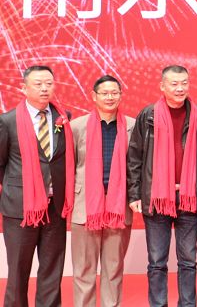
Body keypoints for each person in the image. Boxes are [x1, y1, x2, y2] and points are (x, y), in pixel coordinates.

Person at [127, 65, 197, 307]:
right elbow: (135, 157)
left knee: (188, 262)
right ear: (162, 86)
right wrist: (135, 193)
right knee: (157, 262)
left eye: (184, 83)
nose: (180, 88)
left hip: (189, 199)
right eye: (174, 83)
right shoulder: (148, 115)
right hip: (157, 197)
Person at [0, 65, 73, 307]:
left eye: (49, 83)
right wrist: (21, 190)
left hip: (55, 207)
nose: (44, 88)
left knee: (52, 268)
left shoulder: (63, 117)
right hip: (21, 209)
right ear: (24, 88)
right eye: (38, 84)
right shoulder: (7, 121)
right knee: (18, 270)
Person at [70, 75, 136, 307]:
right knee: (83, 270)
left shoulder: (132, 126)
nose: (110, 97)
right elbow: (69, 166)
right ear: (94, 96)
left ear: (120, 95)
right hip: (85, 207)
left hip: (118, 207)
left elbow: (136, 166)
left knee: (113, 269)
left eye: (114, 93)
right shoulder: (76, 127)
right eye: (105, 93)